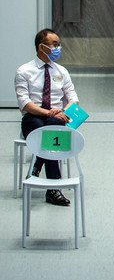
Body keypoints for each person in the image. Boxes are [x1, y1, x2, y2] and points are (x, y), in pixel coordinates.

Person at [14, 29, 78, 206]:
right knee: (47, 128)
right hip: (33, 117)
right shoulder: (24, 71)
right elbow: (25, 103)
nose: (59, 48)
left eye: (59, 44)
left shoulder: (62, 72)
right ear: (42, 47)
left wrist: (63, 111)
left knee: (52, 125)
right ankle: (54, 188)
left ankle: (37, 166)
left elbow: (73, 99)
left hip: (57, 118)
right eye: (55, 45)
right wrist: (48, 112)